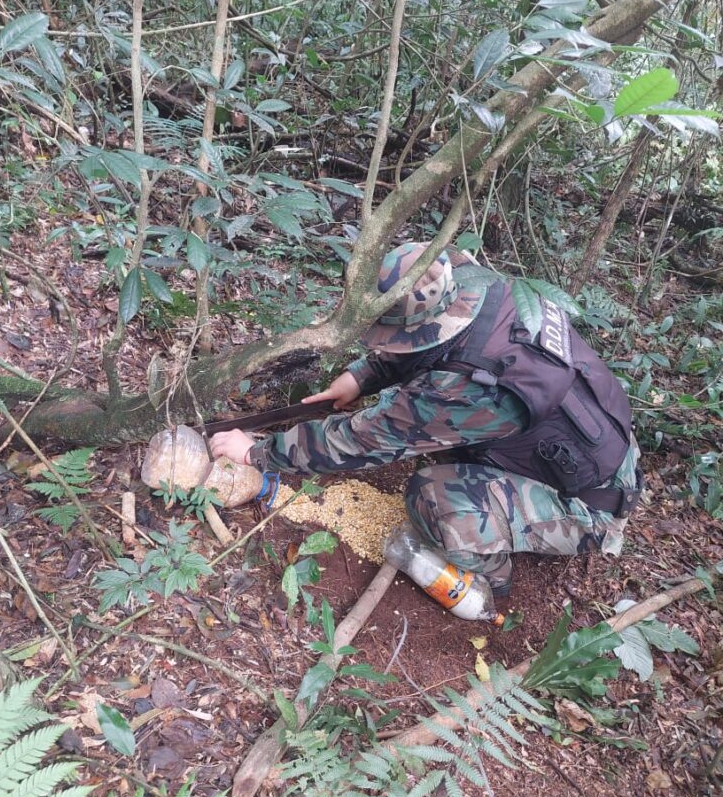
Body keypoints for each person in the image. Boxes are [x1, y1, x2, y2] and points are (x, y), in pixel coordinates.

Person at [209, 242, 642, 597]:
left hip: (589, 503)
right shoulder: (489, 293)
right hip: (593, 439)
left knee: (433, 497)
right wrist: (361, 377)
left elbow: (361, 442)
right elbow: (439, 348)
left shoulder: (469, 391)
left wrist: (257, 452)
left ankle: (490, 570)